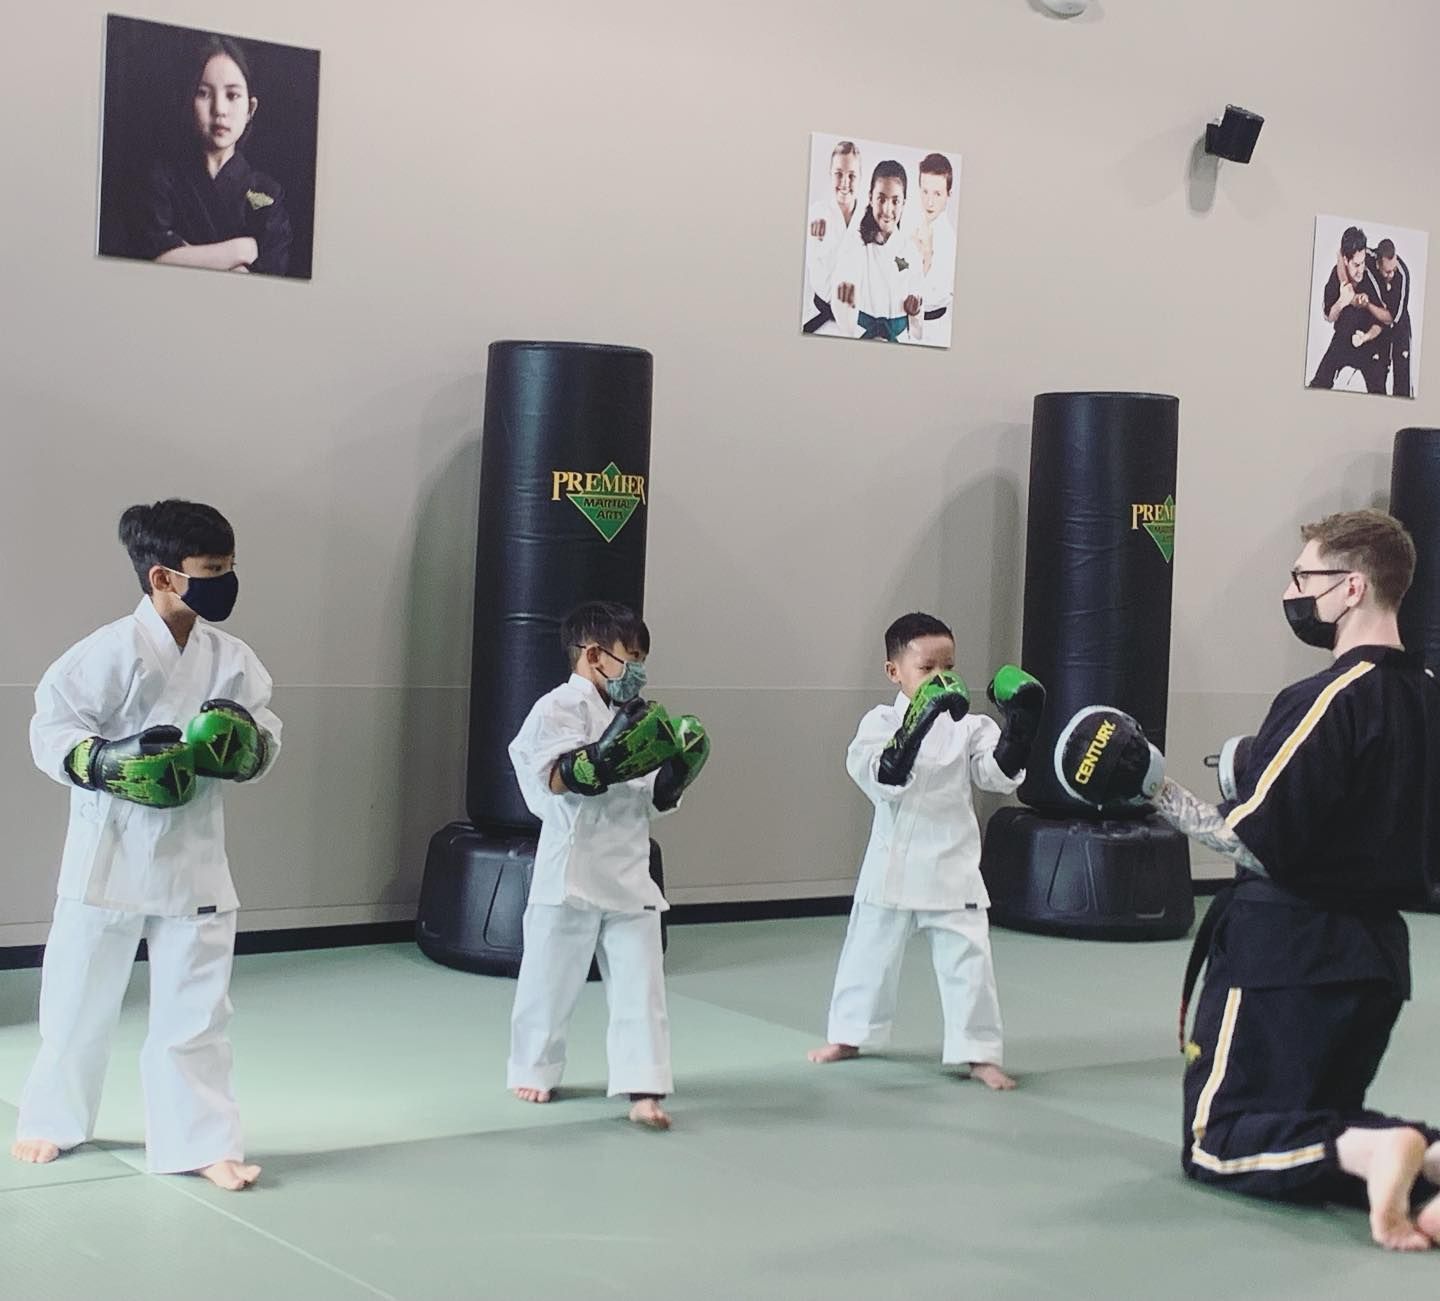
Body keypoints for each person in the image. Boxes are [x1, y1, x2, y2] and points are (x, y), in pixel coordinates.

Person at [1055, 510, 1440, 1251]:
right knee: (1310, 1122)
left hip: (1285, 952)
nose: (1293, 593)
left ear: (1352, 587)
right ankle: (1423, 1161)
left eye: (1304, 577)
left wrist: (1153, 789)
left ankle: (1380, 1151)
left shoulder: (1328, 696)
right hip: (1378, 960)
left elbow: (1253, 841)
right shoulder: (1426, 695)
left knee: (1220, 1138)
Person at [11, 500, 281, 1191]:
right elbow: (52, 728)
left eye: (229, 567)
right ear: (164, 576)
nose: (226, 581)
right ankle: (54, 1118)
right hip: (109, 854)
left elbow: (265, 727)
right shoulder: (107, 651)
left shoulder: (232, 658)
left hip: (194, 856)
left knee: (199, 1011)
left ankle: (202, 1141)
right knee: (77, 1001)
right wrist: (102, 761)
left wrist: (250, 749)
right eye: (211, 570)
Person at [808, 612, 1046, 1089]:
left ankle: (979, 1054)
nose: (941, 677)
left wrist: (1021, 728)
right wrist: (917, 723)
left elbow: (996, 776)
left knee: (969, 963)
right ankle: (850, 1035)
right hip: (891, 864)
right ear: (894, 671)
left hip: (952, 863)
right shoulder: (880, 722)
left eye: (948, 667)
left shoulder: (970, 726)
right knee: (867, 955)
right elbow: (880, 779)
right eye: (927, 668)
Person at [506, 601, 709, 1129]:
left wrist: (673, 779)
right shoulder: (557, 708)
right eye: (631, 656)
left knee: (643, 984)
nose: (638, 669)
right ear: (595, 655)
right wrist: (598, 760)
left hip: (629, 870)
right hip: (570, 870)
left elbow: (647, 800)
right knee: (549, 983)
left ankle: (644, 1087)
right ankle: (535, 1069)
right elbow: (548, 781)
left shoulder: (640, 718)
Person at [130, 34, 292, 275]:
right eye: (204, 93)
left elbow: (270, 279)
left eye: (232, 95)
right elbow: (149, 262)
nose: (219, 109)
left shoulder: (268, 193)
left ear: (250, 109)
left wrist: (183, 256)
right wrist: (239, 250)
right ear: (189, 101)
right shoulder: (163, 180)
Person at [830, 161, 927, 343]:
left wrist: (915, 310)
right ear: (870, 198)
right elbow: (841, 300)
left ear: (904, 203)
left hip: (898, 338)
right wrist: (845, 305)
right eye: (881, 199)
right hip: (863, 335)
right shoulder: (855, 245)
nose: (887, 210)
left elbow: (918, 302)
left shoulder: (910, 251)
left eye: (895, 201)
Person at [1309, 227, 1387, 392]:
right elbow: (1329, 316)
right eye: (1356, 265)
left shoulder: (1372, 277)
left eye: (1363, 262)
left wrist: (1365, 337)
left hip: (1369, 343)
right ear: (1345, 260)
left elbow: (1381, 323)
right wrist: (1341, 303)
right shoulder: (1335, 276)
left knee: (1379, 392)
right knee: (1318, 384)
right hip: (1342, 340)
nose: (1361, 269)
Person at [803, 140, 864, 334]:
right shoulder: (815, 214)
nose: (845, 183)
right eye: (838, 174)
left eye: (852, 175)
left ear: (860, 177)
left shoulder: (869, 219)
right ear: (830, 175)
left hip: (856, 322)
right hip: (818, 316)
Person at [906, 153, 958, 348]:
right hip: (905, 324)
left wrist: (926, 256)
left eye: (937, 194)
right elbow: (897, 265)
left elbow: (929, 289)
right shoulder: (911, 226)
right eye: (925, 191)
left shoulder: (949, 242)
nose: (929, 202)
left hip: (935, 329)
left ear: (948, 194)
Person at [1372, 239, 1414, 398]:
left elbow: (1392, 318)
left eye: (1394, 269)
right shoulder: (1369, 258)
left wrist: (1368, 305)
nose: (1392, 274)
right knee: (1377, 376)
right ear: (1378, 264)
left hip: (1399, 326)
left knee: (1402, 381)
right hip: (1379, 327)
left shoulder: (1403, 275)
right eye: (1387, 271)